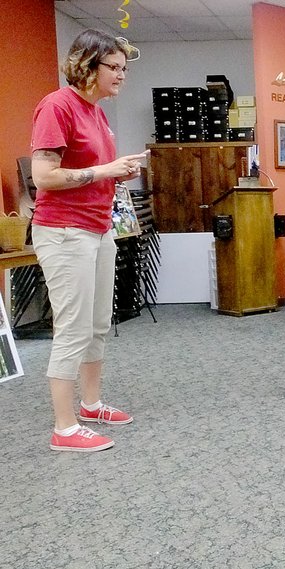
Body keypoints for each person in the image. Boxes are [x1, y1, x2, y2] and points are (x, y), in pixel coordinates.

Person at [31, 30, 146, 452]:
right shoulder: (57, 105)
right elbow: (43, 176)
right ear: (87, 65)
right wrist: (104, 170)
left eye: (123, 69)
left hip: (98, 229)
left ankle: (91, 403)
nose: (121, 76)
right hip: (64, 231)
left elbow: (95, 169)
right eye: (113, 67)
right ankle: (64, 429)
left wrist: (118, 170)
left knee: (98, 325)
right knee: (73, 328)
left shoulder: (96, 112)